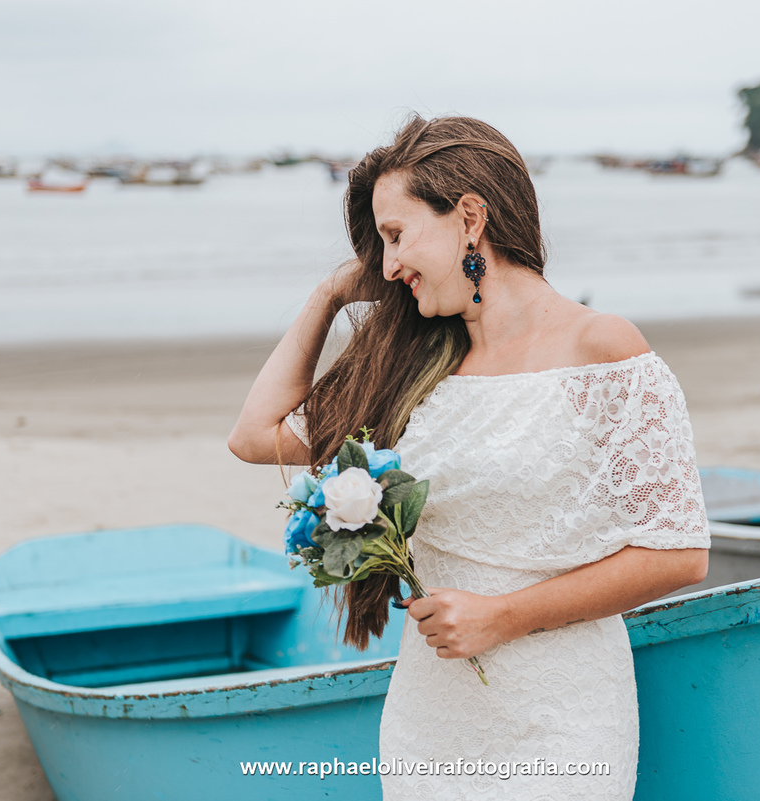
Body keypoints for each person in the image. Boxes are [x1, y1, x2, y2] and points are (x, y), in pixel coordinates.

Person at [229, 114, 710, 799]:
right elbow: (255, 434)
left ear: (470, 218)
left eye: (397, 236)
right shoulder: (412, 371)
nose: (387, 267)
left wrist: (503, 616)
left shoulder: (600, 348)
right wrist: (330, 294)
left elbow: (678, 552)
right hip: (430, 721)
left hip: (562, 717)